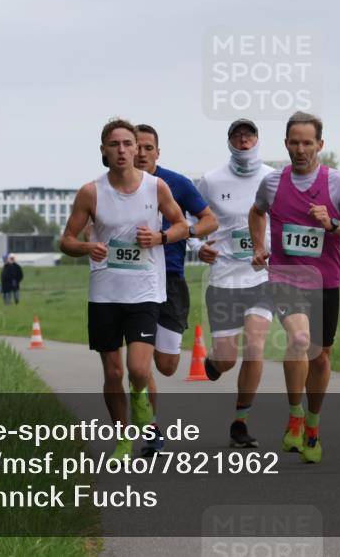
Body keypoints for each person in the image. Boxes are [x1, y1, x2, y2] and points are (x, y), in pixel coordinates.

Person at [60, 118, 190, 460]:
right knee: (113, 372)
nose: (121, 150)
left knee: (138, 369)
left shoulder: (156, 187)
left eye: (127, 144)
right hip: (104, 293)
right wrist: (88, 248)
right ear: (103, 151)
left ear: (137, 149)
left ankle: (144, 409)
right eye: (114, 144)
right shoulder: (91, 192)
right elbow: (67, 240)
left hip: (144, 291)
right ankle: (122, 439)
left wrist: (160, 237)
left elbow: (182, 225)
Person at [249, 111, 340, 463]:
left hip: (325, 281)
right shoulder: (273, 183)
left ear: (320, 144)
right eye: (294, 142)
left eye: (307, 142)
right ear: (285, 144)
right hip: (286, 277)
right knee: (300, 339)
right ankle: (295, 417)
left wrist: (333, 224)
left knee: (321, 356)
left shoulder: (338, 183)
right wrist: (259, 247)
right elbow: (256, 213)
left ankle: (313, 425)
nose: (300, 149)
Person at [133, 123, 218, 456]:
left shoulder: (176, 183)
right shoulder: (115, 186)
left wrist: (187, 232)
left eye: (147, 147)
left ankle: (144, 364)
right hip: (132, 280)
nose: (140, 153)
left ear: (157, 151)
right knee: (137, 364)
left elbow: (210, 219)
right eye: (135, 146)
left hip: (169, 277)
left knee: (166, 365)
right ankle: (151, 428)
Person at [196, 118, 275, 448]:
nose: (243, 141)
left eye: (249, 135)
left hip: (261, 276)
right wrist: (196, 246)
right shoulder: (211, 180)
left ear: (257, 140)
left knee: (256, 345)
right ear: (229, 141)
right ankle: (214, 362)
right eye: (237, 136)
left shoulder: (273, 178)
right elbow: (190, 219)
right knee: (227, 359)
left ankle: (240, 422)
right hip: (224, 277)